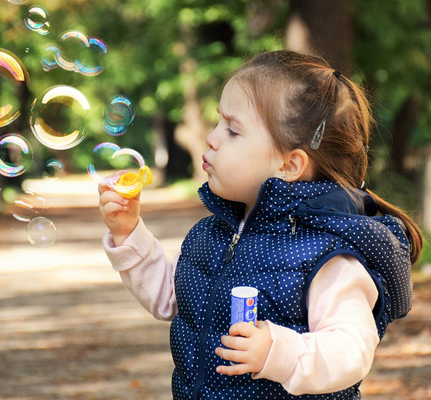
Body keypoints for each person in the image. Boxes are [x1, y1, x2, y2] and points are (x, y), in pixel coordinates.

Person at [98, 50, 422, 399]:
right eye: (218, 122)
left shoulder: (326, 254)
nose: (212, 137)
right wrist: (128, 233)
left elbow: (351, 350)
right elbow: (174, 298)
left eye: (233, 130)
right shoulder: (213, 234)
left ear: (289, 164)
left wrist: (277, 352)